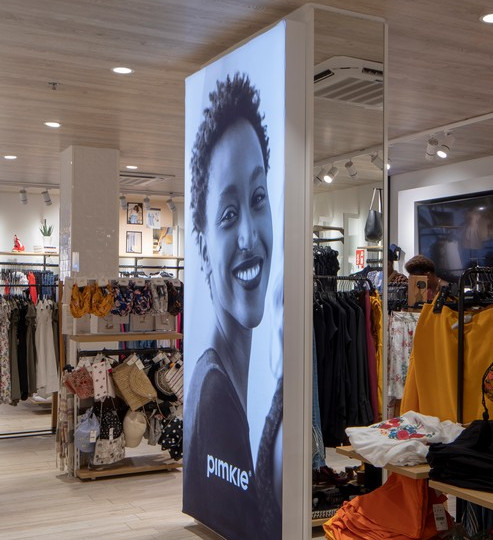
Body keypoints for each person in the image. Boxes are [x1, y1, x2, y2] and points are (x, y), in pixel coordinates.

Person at [184, 72, 282, 539]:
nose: (248, 236)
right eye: (227, 214)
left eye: (258, 198)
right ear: (203, 246)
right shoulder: (216, 398)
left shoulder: (215, 381)